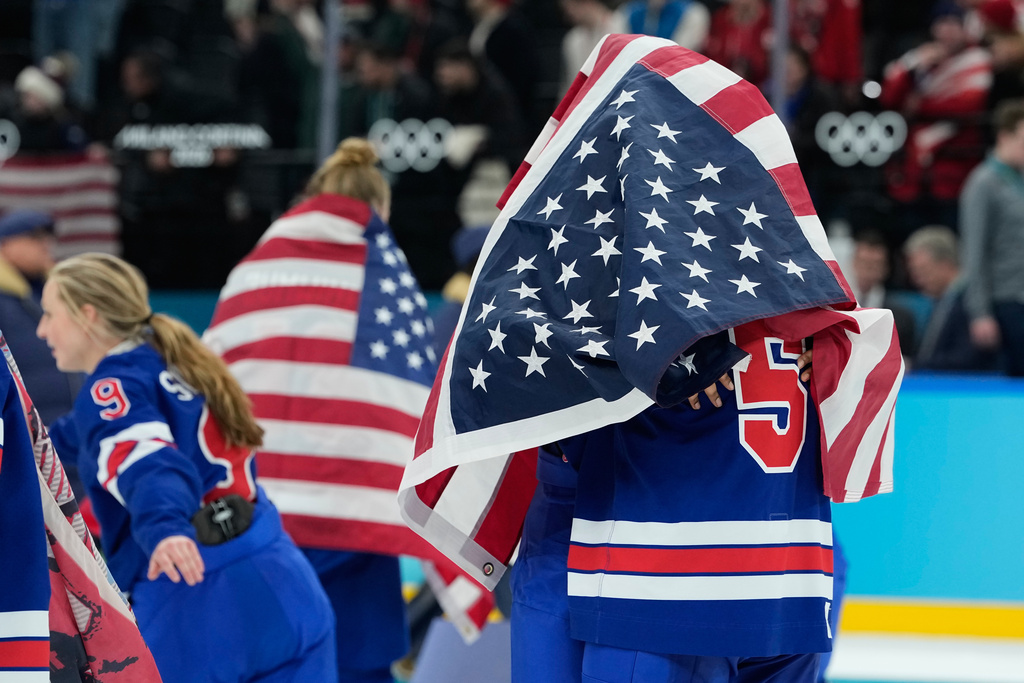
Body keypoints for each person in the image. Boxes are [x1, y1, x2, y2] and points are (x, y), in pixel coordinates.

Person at [397, 33, 904, 683]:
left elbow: (514, 395)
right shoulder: (815, 315)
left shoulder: (617, 318)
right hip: (787, 565)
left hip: (645, 564)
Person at [204, 138, 492, 683]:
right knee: (356, 663)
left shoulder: (252, 271)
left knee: (268, 659)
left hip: (257, 514)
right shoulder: (383, 278)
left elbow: (210, 376)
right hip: (352, 507)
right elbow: (413, 400)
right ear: (379, 208)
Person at [38, 253, 337, 683]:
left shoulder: (110, 389)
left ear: (87, 315)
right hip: (282, 575)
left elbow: (148, 459)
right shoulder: (176, 362)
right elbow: (69, 439)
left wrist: (165, 528)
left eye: (50, 314)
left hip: (195, 595)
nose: (41, 329)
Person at [959, 97, 1024, 376]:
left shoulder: (1019, 179)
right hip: (1006, 300)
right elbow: (974, 252)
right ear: (1004, 136)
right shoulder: (982, 184)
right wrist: (980, 312)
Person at [904, 225, 998, 371]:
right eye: (914, 272)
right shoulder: (941, 301)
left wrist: (915, 366)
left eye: (922, 270)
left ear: (945, 265)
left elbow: (966, 358)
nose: (917, 279)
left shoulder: (971, 302)